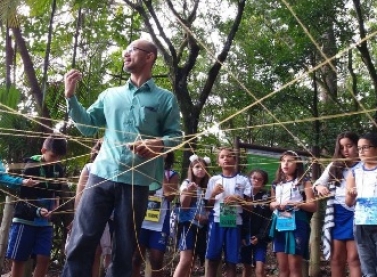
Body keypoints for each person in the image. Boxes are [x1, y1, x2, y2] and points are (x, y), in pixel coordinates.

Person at [62, 38, 181, 277]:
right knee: (81, 240)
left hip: (137, 181)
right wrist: (70, 97)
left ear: (149, 57)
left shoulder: (165, 98)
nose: (125, 54)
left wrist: (157, 144)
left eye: (131, 50)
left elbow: (176, 136)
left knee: (126, 249)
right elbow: (87, 127)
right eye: (125, 51)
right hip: (101, 174)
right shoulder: (110, 94)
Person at [6, 135, 67, 277]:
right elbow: (25, 196)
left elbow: (59, 191)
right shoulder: (30, 166)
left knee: (44, 258)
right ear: (43, 150)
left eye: (59, 157)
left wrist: (56, 204)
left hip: (45, 222)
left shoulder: (58, 168)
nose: (56, 160)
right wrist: (38, 210)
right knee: (19, 259)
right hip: (25, 218)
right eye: (53, 156)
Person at [313, 131, 361, 277]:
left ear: (358, 146)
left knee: (353, 258)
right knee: (336, 258)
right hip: (337, 215)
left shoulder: (365, 165)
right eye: (341, 147)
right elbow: (317, 184)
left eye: (349, 146)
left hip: (358, 213)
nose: (345, 150)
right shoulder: (335, 166)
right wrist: (320, 187)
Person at [66, 139, 112, 277]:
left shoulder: (115, 170)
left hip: (108, 218)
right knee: (86, 249)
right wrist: (77, 218)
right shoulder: (90, 167)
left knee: (100, 252)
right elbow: (79, 195)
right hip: (88, 215)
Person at [204, 147, 252, 277]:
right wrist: (213, 193)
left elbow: (250, 207)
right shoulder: (213, 180)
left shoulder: (244, 180)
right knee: (213, 260)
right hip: (216, 222)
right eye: (222, 156)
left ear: (235, 160)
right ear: (218, 162)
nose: (226, 158)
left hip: (235, 223)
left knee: (232, 261)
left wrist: (238, 200)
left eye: (229, 156)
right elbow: (207, 206)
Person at [269, 150, 317, 277]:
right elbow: (271, 204)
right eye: (283, 161)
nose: (286, 164)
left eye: (290, 161)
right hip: (280, 223)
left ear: (297, 164)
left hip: (297, 223)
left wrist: (296, 204)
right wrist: (274, 205)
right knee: (283, 267)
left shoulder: (304, 182)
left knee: (295, 267)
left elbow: (313, 206)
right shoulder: (275, 184)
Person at [132, 152, 179, 277]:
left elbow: (170, 196)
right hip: (141, 221)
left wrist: (159, 172)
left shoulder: (172, 175)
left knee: (157, 262)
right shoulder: (141, 170)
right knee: (135, 258)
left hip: (160, 225)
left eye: (162, 153)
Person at [173, 154, 210, 277]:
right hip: (187, 225)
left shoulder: (205, 187)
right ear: (191, 169)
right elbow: (184, 206)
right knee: (185, 260)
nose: (200, 170)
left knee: (191, 261)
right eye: (197, 167)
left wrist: (206, 217)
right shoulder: (187, 183)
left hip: (200, 227)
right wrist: (190, 191)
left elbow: (207, 207)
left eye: (203, 167)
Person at [345, 132, 377, 277]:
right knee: (368, 267)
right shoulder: (355, 172)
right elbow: (348, 202)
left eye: (365, 147)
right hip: (362, 224)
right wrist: (351, 195)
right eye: (359, 148)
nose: (361, 151)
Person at [240, 169, 272, 277]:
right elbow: (240, 217)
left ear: (263, 182)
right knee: (246, 267)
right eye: (254, 178)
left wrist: (260, 236)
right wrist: (242, 236)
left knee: (260, 268)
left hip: (260, 238)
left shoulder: (266, 197)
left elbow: (268, 219)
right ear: (249, 179)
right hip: (245, 238)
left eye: (260, 179)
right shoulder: (242, 195)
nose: (256, 181)